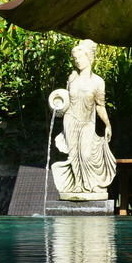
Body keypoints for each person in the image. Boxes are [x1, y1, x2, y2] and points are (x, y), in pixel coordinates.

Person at [49, 39, 115, 200]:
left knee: (85, 155)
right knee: (73, 156)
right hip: (70, 120)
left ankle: (90, 185)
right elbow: (64, 99)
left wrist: (107, 125)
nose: (77, 61)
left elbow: (100, 106)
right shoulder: (72, 78)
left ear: (89, 57)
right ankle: (77, 185)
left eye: (80, 58)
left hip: (87, 123)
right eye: (75, 59)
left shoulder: (98, 82)